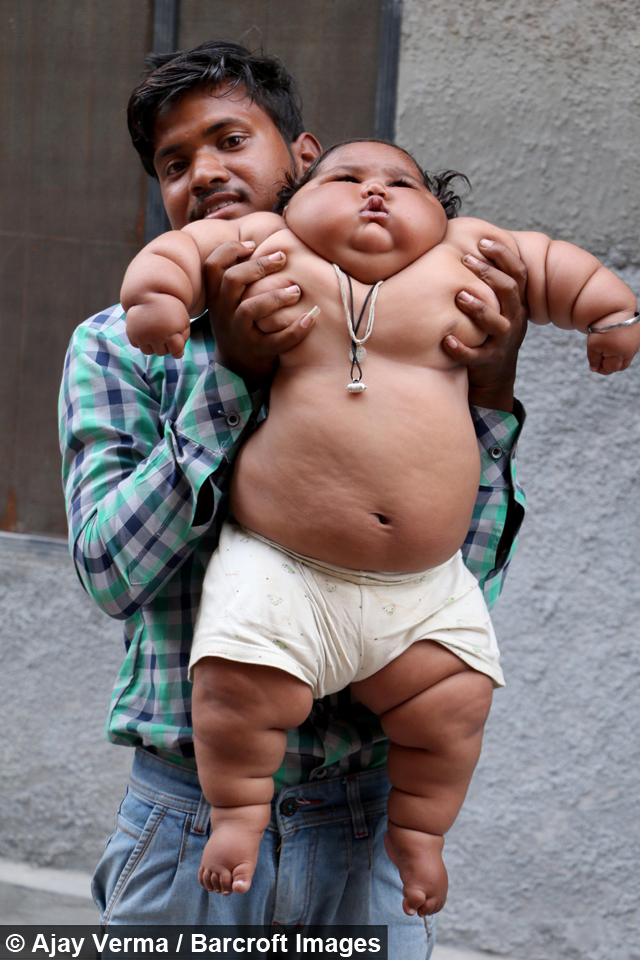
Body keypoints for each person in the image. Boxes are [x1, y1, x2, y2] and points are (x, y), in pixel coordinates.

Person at [59, 41, 530, 957]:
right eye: (173, 162)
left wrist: (490, 400)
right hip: (193, 821)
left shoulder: (421, 322)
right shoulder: (122, 343)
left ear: (303, 157)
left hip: (367, 830)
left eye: (230, 138)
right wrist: (229, 376)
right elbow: (111, 574)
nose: (204, 173)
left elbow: (460, 579)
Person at [121, 136, 638, 918]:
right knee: (234, 687)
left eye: (402, 182)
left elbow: (555, 265)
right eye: (348, 178)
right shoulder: (270, 248)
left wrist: (609, 312)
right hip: (282, 573)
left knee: (456, 704)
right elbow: (179, 252)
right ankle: (236, 815)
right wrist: (157, 301)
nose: (375, 191)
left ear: (439, 209)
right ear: (294, 199)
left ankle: (421, 831)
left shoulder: (469, 256)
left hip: (421, 592)